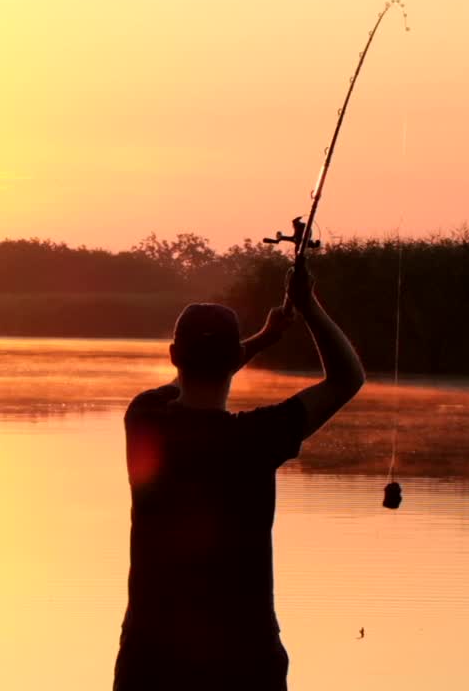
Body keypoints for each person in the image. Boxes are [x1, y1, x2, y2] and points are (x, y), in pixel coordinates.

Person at [113, 260, 364, 690]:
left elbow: (194, 377)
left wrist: (263, 339)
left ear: (174, 356)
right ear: (233, 359)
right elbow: (346, 379)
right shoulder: (258, 437)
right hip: (245, 655)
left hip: (151, 654)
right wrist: (309, 307)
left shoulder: (145, 419)